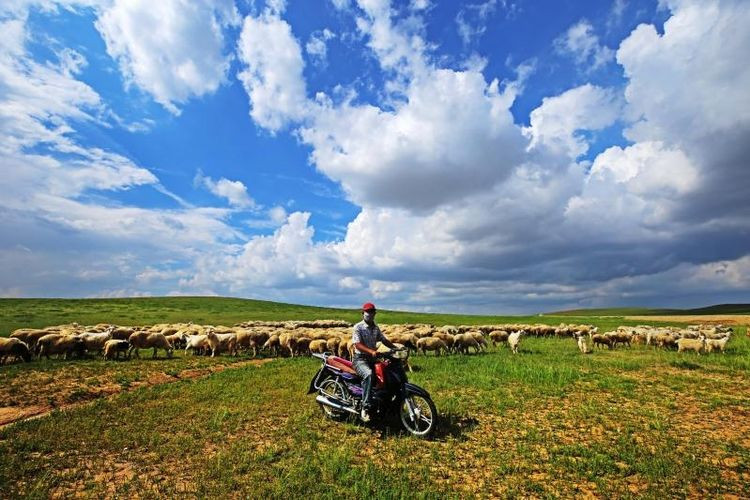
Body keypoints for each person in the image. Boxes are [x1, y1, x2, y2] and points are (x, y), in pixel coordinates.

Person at [352, 302, 397, 422]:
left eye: (372, 312)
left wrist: (395, 348)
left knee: (387, 373)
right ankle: (365, 407)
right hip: (360, 359)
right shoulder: (358, 327)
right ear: (363, 313)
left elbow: (383, 340)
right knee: (369, 375)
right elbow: (357, 344)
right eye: (368, 312)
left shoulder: (375, 328)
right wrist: (371, 351)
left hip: (372, 359)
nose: (370, 314)